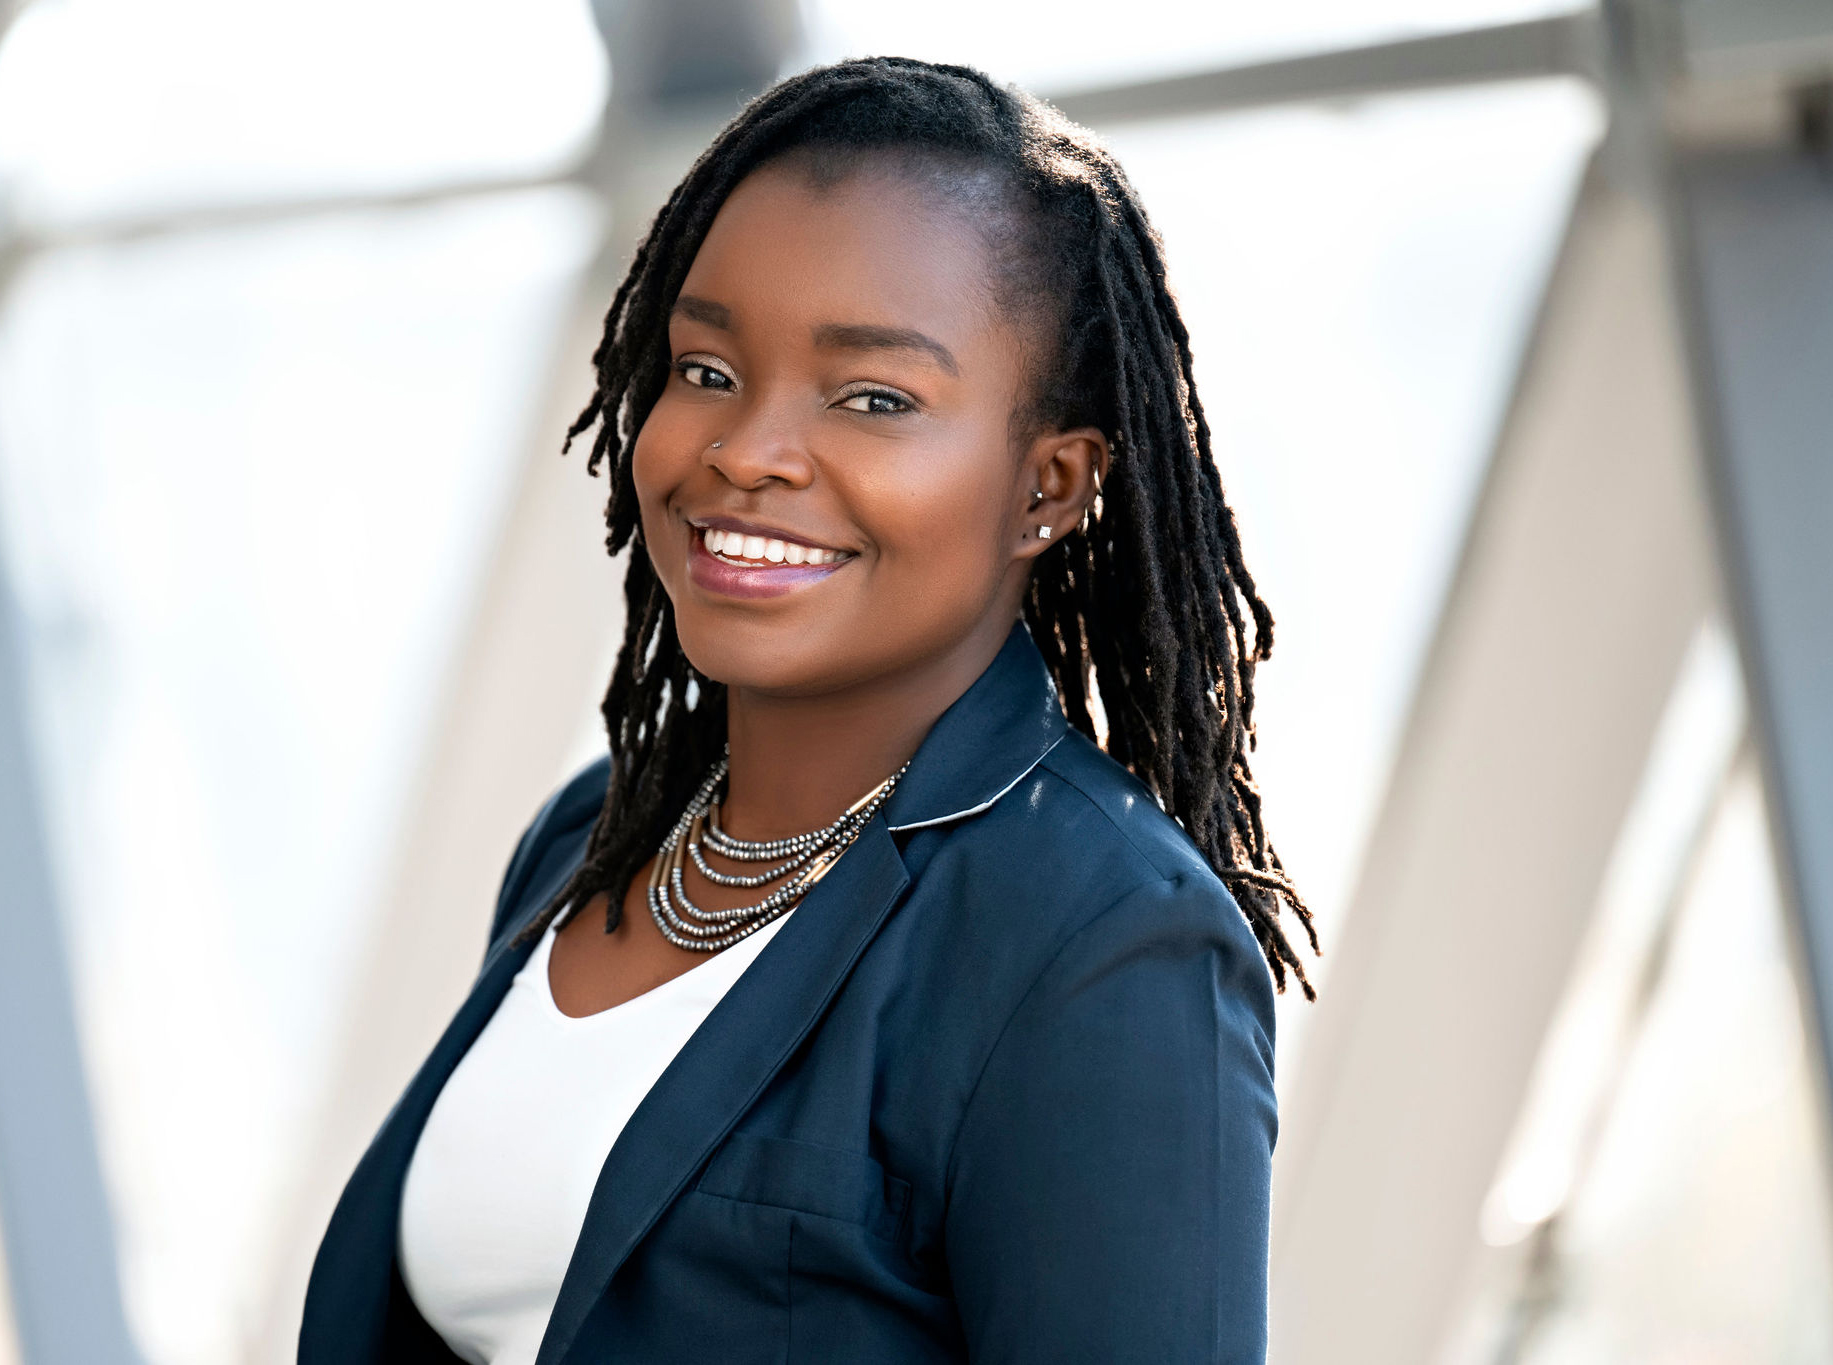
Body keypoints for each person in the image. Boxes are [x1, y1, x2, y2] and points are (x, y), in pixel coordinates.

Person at [299, 54, 1316, 1365]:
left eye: (872, 398)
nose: (746, 450)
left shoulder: (1102, 945)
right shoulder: (595, 838)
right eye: (707, 369)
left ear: (1048, 486)